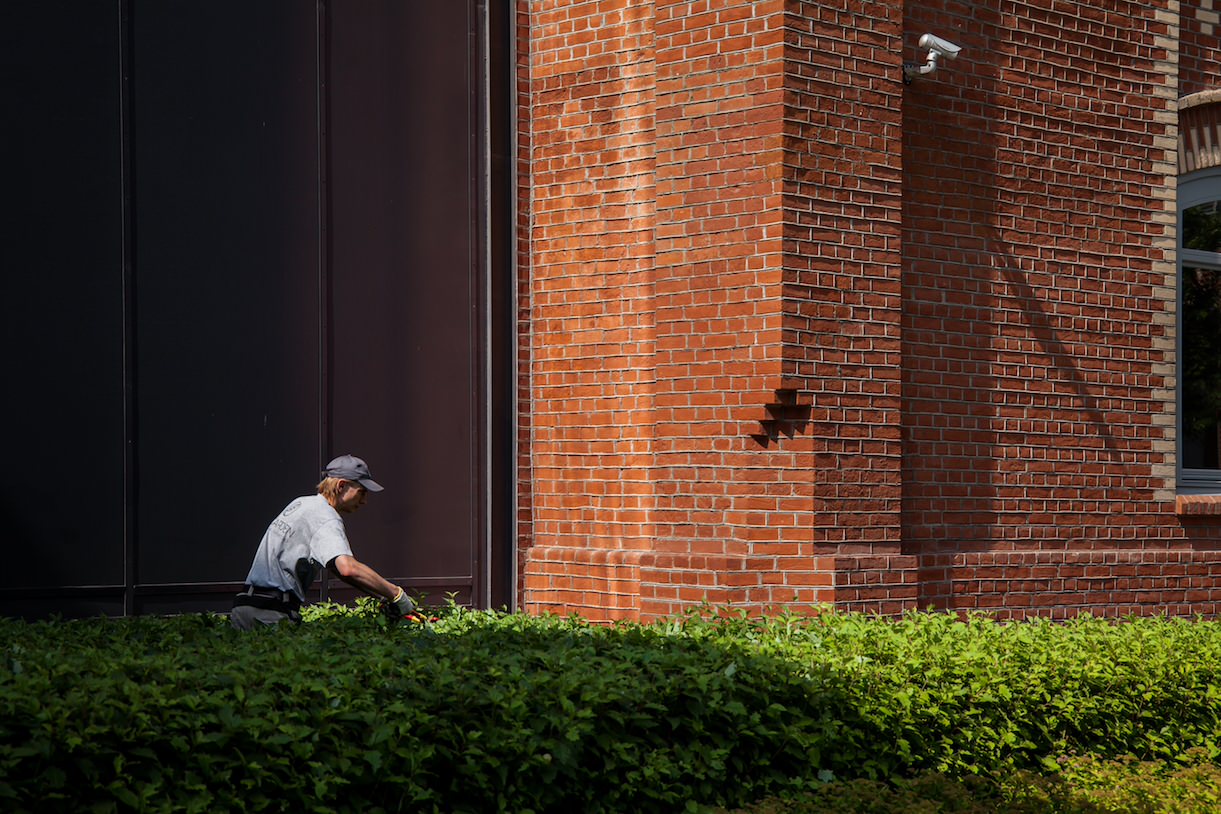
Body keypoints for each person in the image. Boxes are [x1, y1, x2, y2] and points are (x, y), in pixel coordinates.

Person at [231, 454, 414, 630]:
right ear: (341, 486)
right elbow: (348, 568)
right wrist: (396, 594)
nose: (365, 501)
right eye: (362, 492)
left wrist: (381, 597)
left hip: (245, 607)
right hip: (271, 614)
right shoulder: (325, 517)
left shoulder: (302, 503)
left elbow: (338, 570)